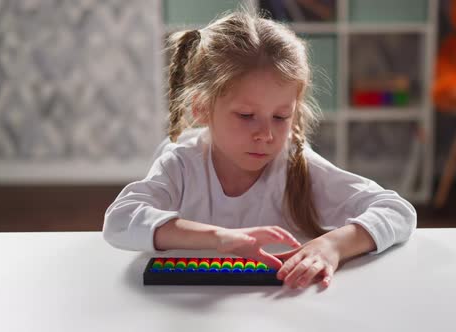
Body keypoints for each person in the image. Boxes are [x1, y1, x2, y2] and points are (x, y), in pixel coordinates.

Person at [103, 10, 416, 289]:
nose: (265, 134)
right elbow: (120, 220)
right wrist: (218, 239)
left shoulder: (295, 164)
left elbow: (397, 211)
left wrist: (332, 246)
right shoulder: (181, 165)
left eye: (280, 117)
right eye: (246, 116)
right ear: (201, 108)